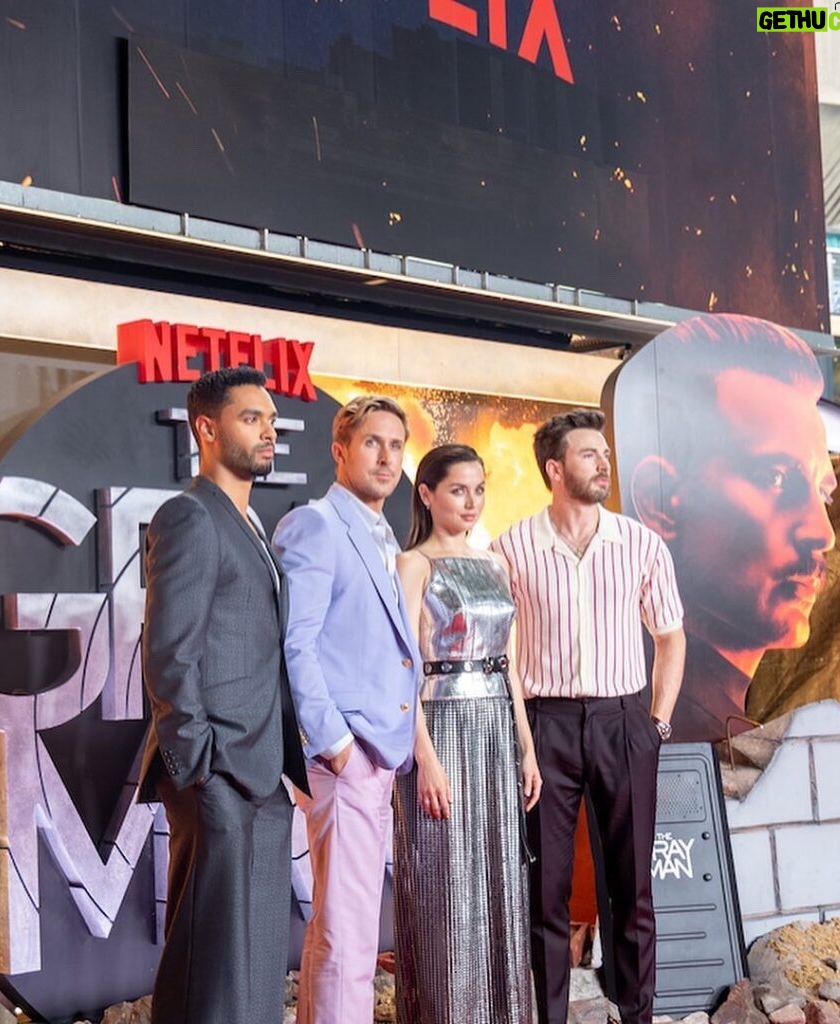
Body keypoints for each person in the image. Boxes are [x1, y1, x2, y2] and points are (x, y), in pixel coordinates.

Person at [492, 409, 685, 1024]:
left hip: (624, 722)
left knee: (631, 888)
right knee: (544, 889)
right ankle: (548, 1017)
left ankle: (637, 1012)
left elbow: (671, 638)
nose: (604, 464)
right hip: (544, 726)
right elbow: (501, 651)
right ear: (554, 468)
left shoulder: (641, 544)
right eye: (587, 454)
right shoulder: (512, 547)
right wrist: (522, 738)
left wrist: (656, 722)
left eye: (605, 454)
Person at [139, 366, 307, 1024]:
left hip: (262, 772)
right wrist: (199, 763)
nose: (268, 431)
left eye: (270, 420)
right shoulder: (188, 515)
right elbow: (169, 651)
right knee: (209, 964)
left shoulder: (252, 526)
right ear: (206, 429)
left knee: (255, 965)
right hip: (218, 772)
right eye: (251, 418)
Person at [603, 313, 836, 742]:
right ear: (658, 500)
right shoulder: (664, 720)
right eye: (775, 478)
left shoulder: (720, 723)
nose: (823, 533)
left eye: (824, 493)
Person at [273, 395, 420, 1024]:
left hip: (378, 752)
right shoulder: (316, 524)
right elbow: (295, 643)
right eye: (371, 444)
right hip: (348, 756)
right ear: (339, 451)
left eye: (395, 445)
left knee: (340, 929)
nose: (386, 458)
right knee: (349, 937)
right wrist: (335, 744)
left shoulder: (383, 534)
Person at [392, 444, 542, 1024]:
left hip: (497, 729)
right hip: (442, 724)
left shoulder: (498, 565)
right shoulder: (413, 564)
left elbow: (512, 667)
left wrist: (526, 748)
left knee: (500, 876)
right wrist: (422, 756)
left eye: (480, 490)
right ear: (427, 494)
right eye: (459, 490)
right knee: (446, 882)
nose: (472, 502)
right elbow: (401, 668)